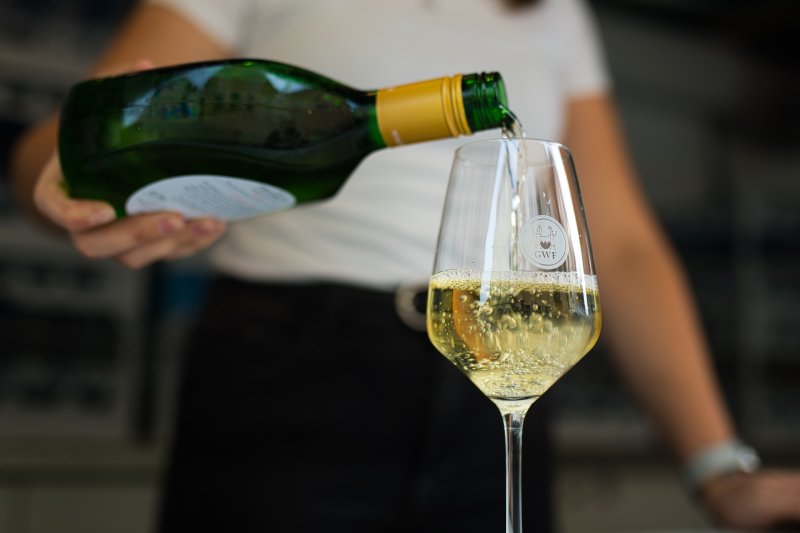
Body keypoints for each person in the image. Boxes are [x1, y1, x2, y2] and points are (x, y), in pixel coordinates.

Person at [10, 0, 800, 531]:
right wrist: (69, 181)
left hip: (492, 383)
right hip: (290, 368)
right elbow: (67, 142)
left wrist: (718, 467)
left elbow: (618, 244)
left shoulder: (552, 10)